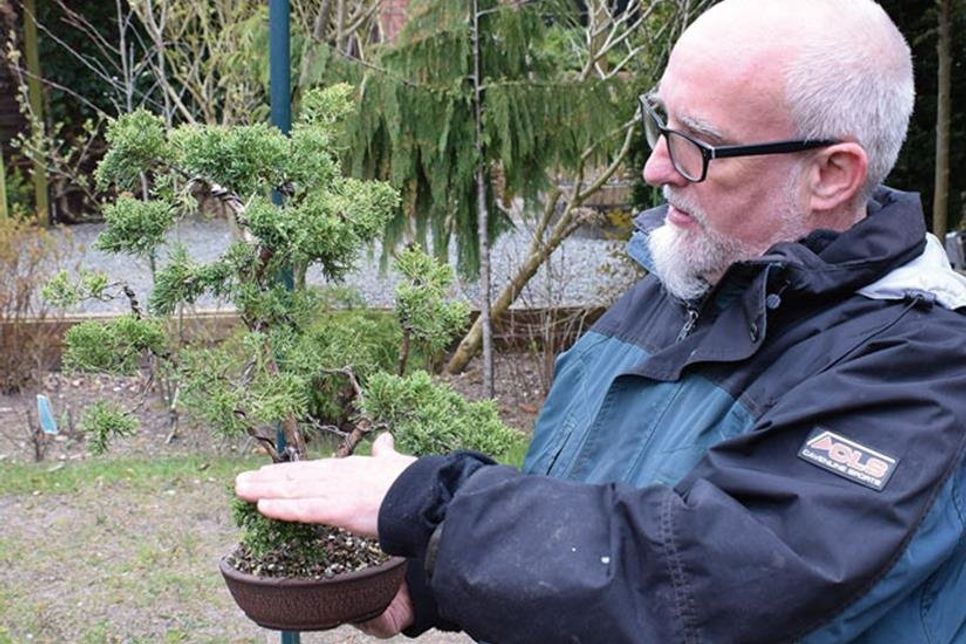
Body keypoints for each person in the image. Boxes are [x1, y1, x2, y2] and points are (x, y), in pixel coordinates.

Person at [235, 0, 966, 641]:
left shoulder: (919, 365)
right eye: (661, 122)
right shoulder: (685, 279)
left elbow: (704, 582)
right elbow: (589, 518)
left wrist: (434, 511)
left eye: (697, 145)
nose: (654, 167)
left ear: (832, 174)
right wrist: (430, 579)